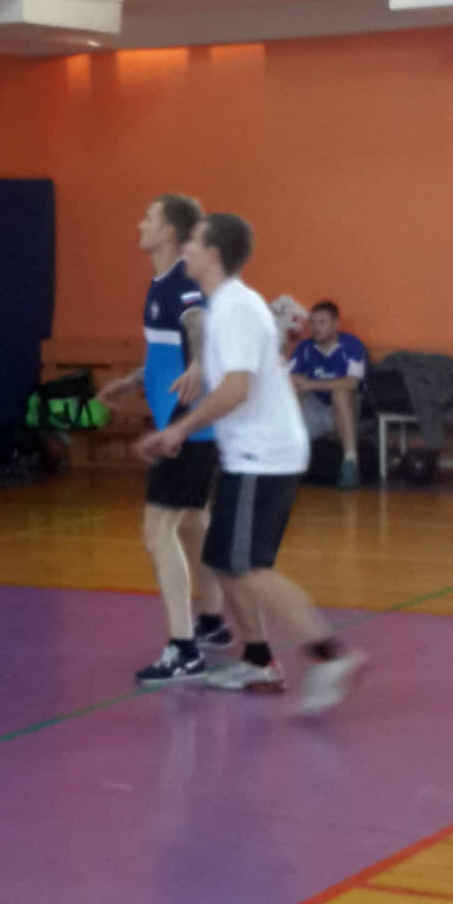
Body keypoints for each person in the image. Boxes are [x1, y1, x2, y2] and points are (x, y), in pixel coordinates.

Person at [136, 213, 365, 715]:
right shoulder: (225, 307)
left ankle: (329, 655)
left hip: (266, 455)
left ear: (214, 253)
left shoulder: (237, 308)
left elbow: (236, 389)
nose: (186, 249)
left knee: (249, 565)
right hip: (249, 453)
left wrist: (178, 430)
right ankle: (259, 659)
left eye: (194, 242)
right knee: (225, 558)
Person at [96, 194, 230, 686]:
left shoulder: (181, 283)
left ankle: (183, 649)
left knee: (158, 532)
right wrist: (132, 381)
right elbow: (166, 349)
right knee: (192, 521)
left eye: (149, 218)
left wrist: (198, 364)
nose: (140, 224)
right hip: (192, 424)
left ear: (169, 232)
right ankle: (212, 621)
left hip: (189, 424)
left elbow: (198, 325)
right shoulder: (161, 284)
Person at [290, 301, 369, 489]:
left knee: (340, 392)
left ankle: (350, 461)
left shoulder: (351, 344)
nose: (316, 327)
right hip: (316, 407)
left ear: (335, 324)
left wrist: (311, 384)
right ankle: (292, 458)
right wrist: (297, 381)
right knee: (291, 390)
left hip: (347, 408)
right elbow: (288, 377)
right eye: (313, 322)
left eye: (322, 322)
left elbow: (352, 382)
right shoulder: (305, 347)